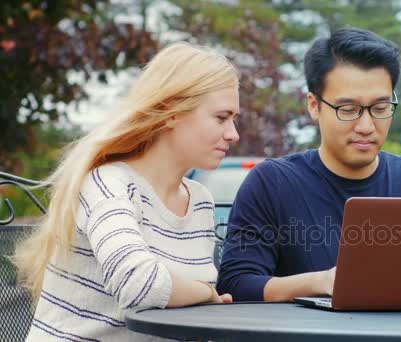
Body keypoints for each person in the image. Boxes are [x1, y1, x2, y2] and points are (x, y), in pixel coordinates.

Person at [217, 27, 401, 302]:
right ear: (314, 105)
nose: (366, 126)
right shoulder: (273, 183)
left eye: (380, 108)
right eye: (348, 110)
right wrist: (321, 282)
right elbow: (236, 285)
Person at [14, 42, 240, 341]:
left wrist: (203, 298)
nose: (233, 134)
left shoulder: (199, 200)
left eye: (235, 120)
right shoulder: (108, 184)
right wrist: (206, 294)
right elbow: (139, 284)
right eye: (221, 118)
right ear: (171, 111)